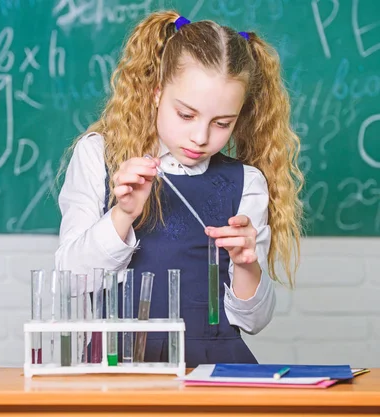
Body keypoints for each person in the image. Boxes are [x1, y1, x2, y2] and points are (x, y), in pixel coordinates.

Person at [55, 11, 303, 367]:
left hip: (212, 368)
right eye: (186, 115)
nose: (201, 137)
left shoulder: (246, 182)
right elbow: (69, 282)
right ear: (157, 93)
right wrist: (123, 214)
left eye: (222, 123)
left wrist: (247, 265)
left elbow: (254, 321)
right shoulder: (99, 154)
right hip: (117, 364)